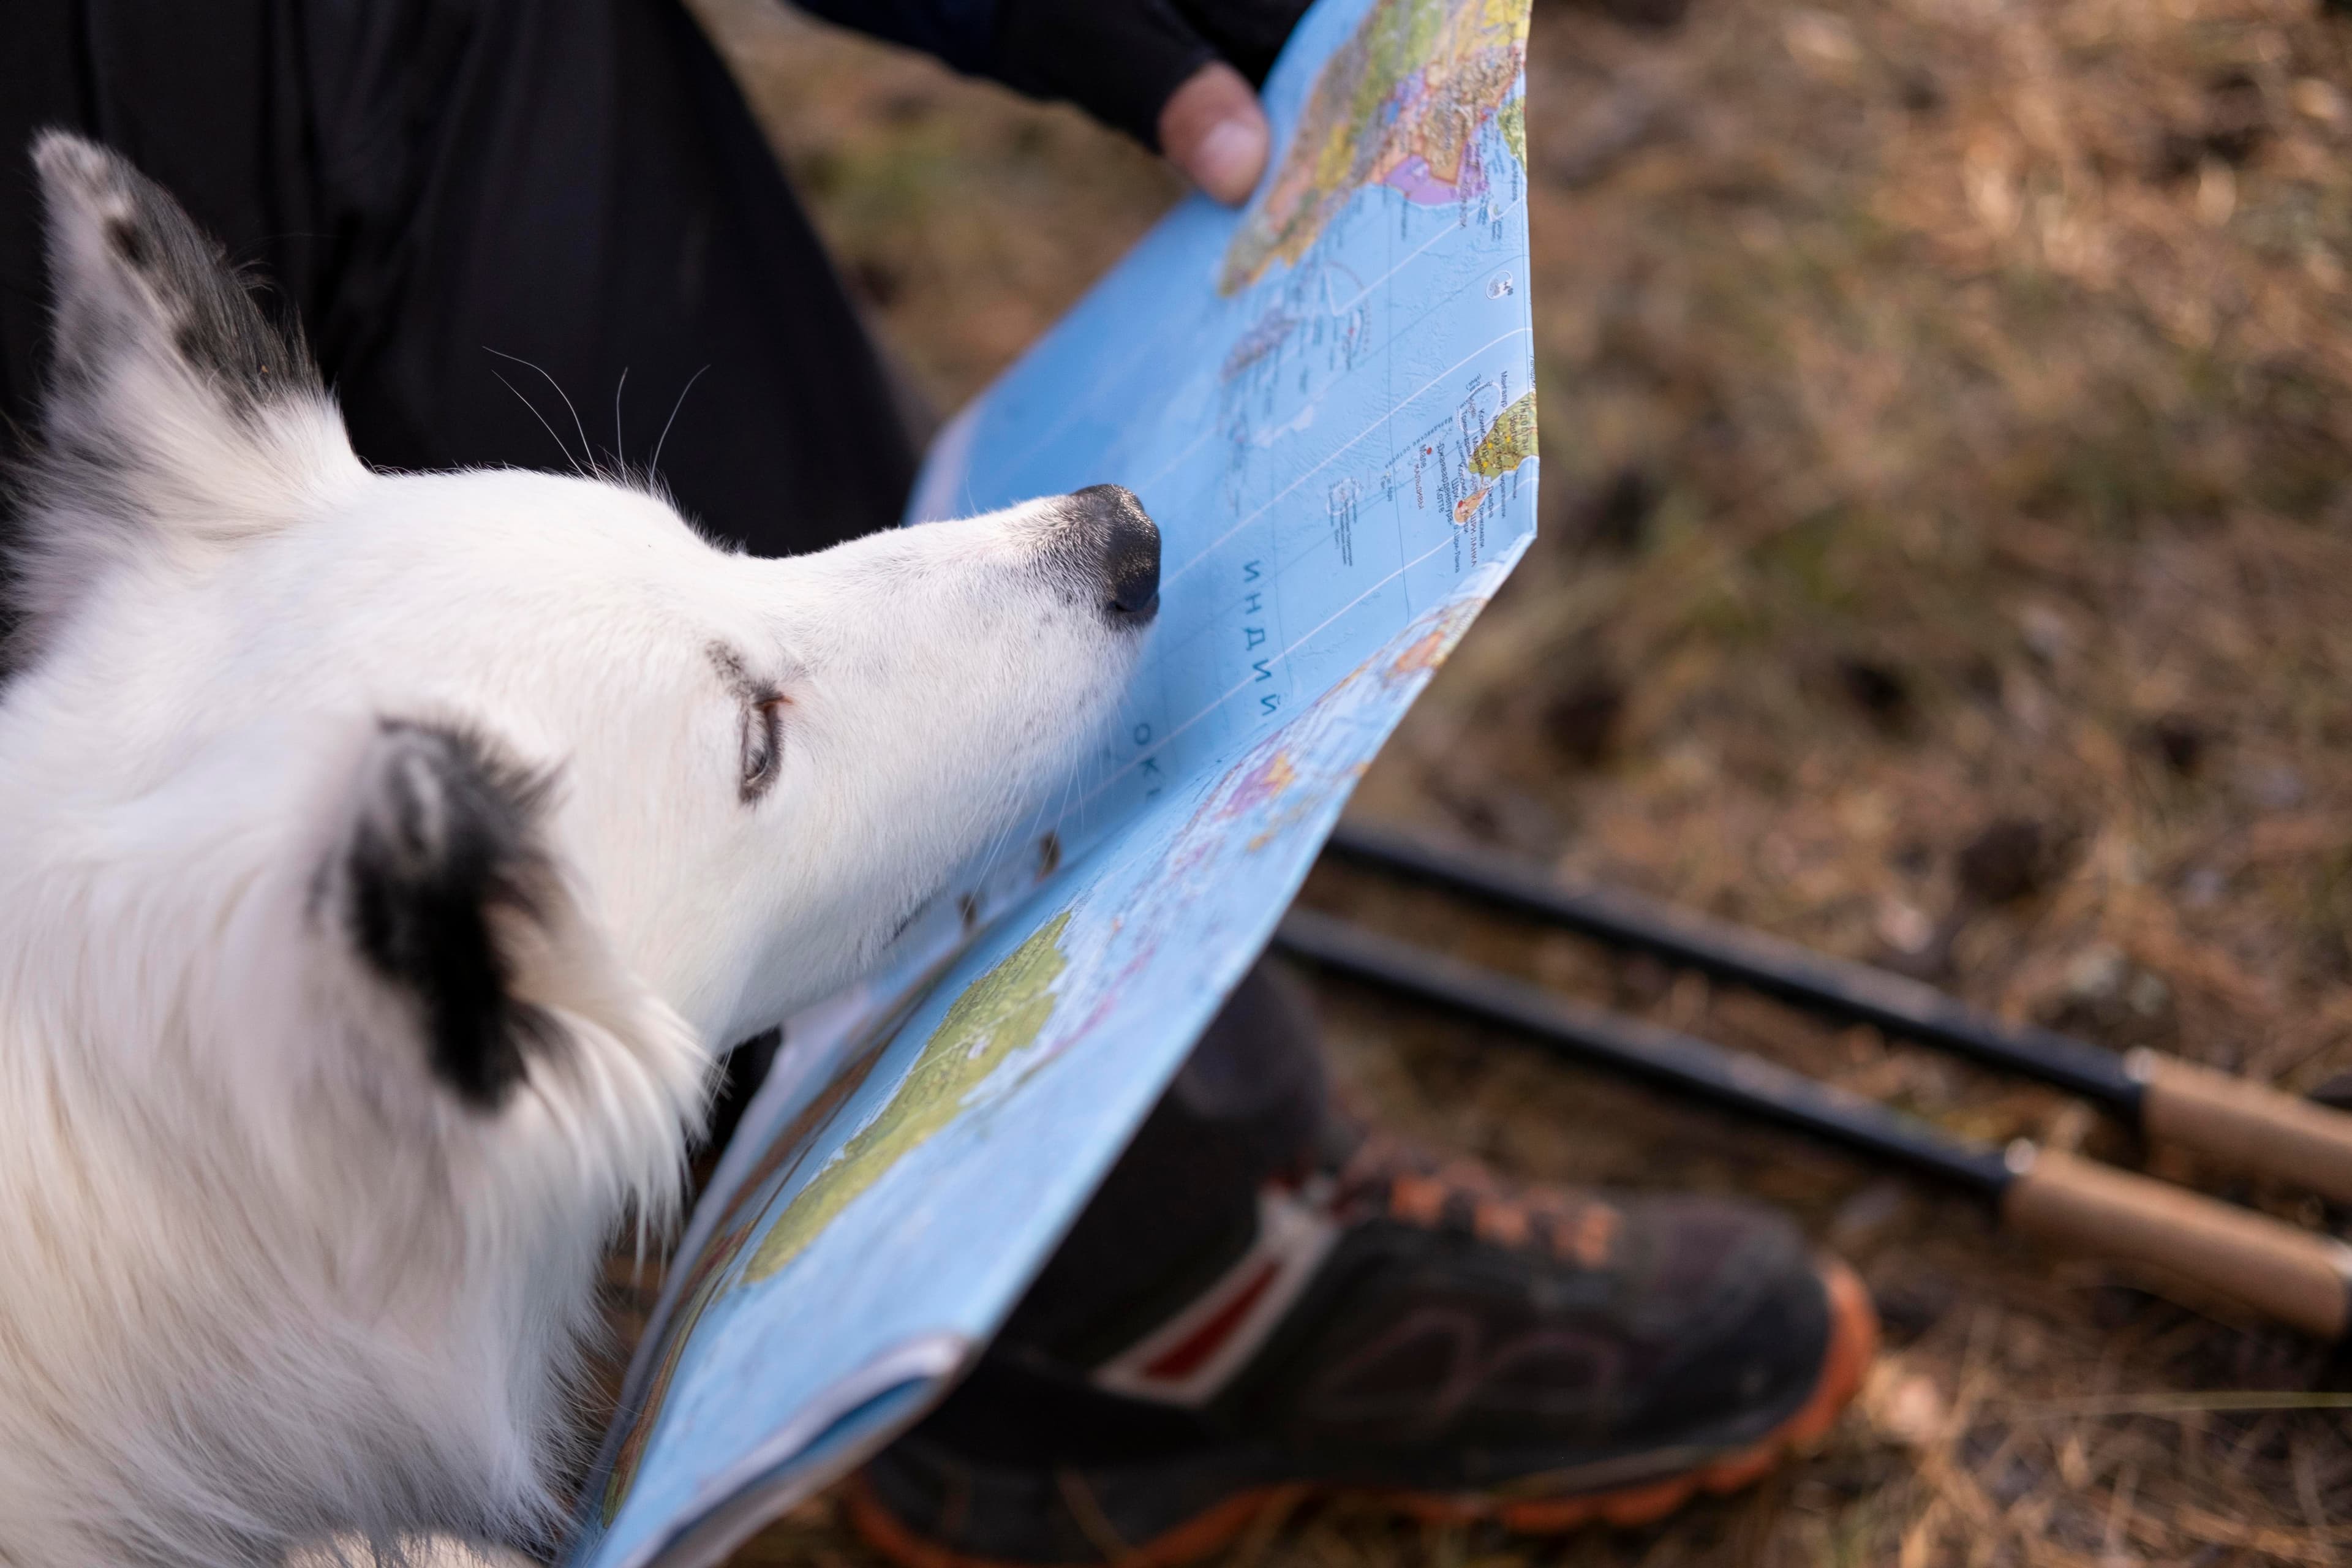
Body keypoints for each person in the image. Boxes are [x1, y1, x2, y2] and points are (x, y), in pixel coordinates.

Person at [0, 3, 1874, 1563]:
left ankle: (1132, 1273)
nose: (1061, 552)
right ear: (459, 984)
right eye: (759, 735)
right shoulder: (406, 920)